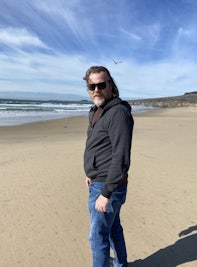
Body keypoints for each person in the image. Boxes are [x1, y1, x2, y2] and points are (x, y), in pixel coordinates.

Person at [83, 66, 134, 267]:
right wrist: (90, 173)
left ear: (110, 85)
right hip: (99, 180)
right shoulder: (97, 111)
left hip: (107, 186)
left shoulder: (118, 113)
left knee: (97, 238)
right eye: (92, 86)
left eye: (101, 85)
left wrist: (106, 193)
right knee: (113, 230)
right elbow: (98, 146)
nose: (96, 89)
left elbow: (121, 156)